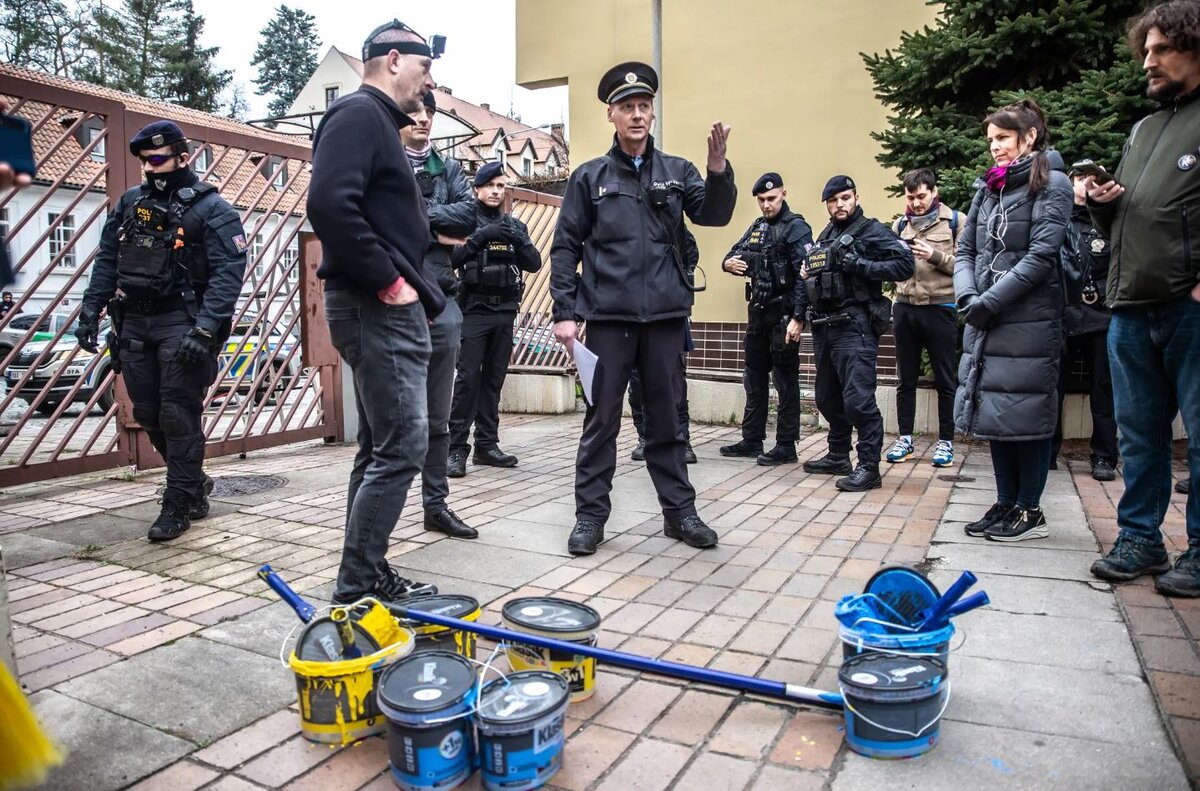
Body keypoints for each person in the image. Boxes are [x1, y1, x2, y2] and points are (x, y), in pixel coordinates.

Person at [550, 61, 737, 556]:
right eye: (626, 107)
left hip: (665, 321)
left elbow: (714, 214)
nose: (636, 115)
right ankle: (590, 517)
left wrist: (718, 171)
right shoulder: (589, 178)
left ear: (652, 113)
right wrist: (564, 312)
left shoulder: (678, 172)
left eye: (644, 106)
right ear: (611, 115)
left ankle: (680, 514)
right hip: (608, 321)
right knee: (601, 421)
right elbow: (565, 246)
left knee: (665, 422)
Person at [308, 19, 443, 604]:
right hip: (376, 304)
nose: (428, 79)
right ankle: (358, 584)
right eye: (424, 66)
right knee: (402, 446)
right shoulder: (359, 114)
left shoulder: (374, 123)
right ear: (393, 59)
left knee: (381, 447)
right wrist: (389, 282)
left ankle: (366, 572)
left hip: (379, 305)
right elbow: (329, 205)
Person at [74, 120, 247, 541]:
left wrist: (206, 329)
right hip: (133, 321)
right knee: (148, 412)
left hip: (181, 321)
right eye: (143, 161)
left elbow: (229, 271)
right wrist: (90, 309)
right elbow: (108, 259)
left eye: (157, 158)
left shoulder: (213, 209)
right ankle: (193, 483)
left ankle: (178, 504)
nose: (150, 168)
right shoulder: (131, 203)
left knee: (176, 411)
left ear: (183, 157)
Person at [1087, 0, 1200, 597]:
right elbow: (1135, 216)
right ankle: (1141, 538)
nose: (1147, 62)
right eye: (1145, 50)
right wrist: (1105, 203)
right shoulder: (1145, 127)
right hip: (1131, 302)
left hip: (1190, 307)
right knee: (1138, 431)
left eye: (1161, 49)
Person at [954, 99, 1073, 543]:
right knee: (997, 411)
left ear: (1030, 137)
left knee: (1027, 412)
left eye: (1002, 138)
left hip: (1028, 320)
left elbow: (1041, 257)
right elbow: (966, 248)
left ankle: (1030, 509)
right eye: (990, 140)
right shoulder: (989, 188)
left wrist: (989, 302)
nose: (995, 148)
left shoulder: (1054, 183)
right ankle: (1006, 503)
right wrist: (969, 295)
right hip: (988, 315)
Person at [787, 176, 914, 492]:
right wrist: (799, 315)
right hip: (824, 327)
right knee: (827, 399)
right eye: (833, 200)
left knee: (858, 401)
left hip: (854, 326)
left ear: (855, 197)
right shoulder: (827, 235)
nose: (839, 204)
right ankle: (838, 455)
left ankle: (869, 467)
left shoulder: (870, 231)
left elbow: (904, 264)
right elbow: (808, 277)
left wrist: (858, 263)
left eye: (845, 198)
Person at [402, 89, 477, 539]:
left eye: (429, 112)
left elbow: (467, 218)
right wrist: (436, 225)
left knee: (437, 415)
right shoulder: (384, 163)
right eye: (414, 112)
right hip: (392, 296)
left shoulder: (447, 168)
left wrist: (417, 218)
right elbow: (376, 222)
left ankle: (436, 504)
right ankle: (376, 511)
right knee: (387, 419)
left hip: (442, 297)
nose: (423, 119)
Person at [446, 162, 542, 473]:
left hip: (504, 312)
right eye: (490, 186)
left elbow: (534, 263)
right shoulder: (463, 221)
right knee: (468, 379)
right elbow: (452, 258)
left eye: (501, 187)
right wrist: (481, 236)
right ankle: (456, 449)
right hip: (474, 310)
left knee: (493, 381)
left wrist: (519, 240)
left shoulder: (514, 225)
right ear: (478, 189)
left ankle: (486, 445)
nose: (496, 192)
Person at [720, 173, 812, 466]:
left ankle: (786, 444)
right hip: (758, 313)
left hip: (783, 313)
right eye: (761, 200)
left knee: (785, 380)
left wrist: (799, 317)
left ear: (784, 194)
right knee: (754, 377)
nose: (766, 205)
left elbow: (805, 276)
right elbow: (734, 253)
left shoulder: (796, 228)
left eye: (771, 199)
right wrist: (727, 263)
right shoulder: (759, 227)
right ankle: (752, 438)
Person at [886, 168, 961, 468]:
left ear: (934, 192)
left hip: (941, 307)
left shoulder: (956, 221)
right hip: (905, 308)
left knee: (945, 379)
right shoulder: (899, 224)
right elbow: (890, 265)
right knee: (906, 378)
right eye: (911, 197)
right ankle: (905, 439)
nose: (916, 203)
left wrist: (935, 255)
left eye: (921, 196)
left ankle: (946, 442)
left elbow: (966, 266)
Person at [1050, 159, 1118, 482]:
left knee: (1103, 389)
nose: (1085, 184)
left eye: (1093, 179)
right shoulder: (1059, 220)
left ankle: (1104, 456)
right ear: (1071, 182)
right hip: (1063, 316)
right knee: (1054, 386)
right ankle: (1048, 452)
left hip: (1099, 317)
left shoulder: (1109, 222)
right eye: (1080, 178)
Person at [629, 227, 699, 464]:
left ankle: (682, 440)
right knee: (637, 383)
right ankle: (645, 438)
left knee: (674, 382)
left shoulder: (672, 226)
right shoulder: (626, 223)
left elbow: (690, 256)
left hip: (668, 314)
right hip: (631, 313)